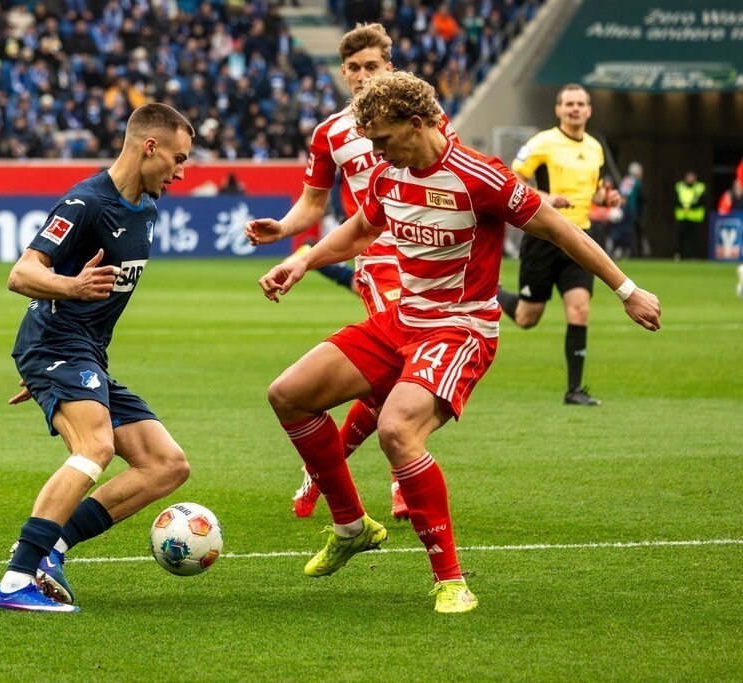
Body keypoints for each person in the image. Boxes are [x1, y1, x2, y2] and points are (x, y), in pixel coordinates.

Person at [257, 70, 661, 614]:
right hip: (401, 321)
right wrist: (302, 261)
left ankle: (451, 581)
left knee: (397, 429)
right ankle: (352, 526)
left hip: (461, 328)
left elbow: (559, 229)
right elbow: (362, 229)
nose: (375, 152)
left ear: (416, 124)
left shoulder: (480, 177)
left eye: (382, 139)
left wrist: (627, 290)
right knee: (288, 394)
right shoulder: (389, 172)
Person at [0, 103, 195, 613]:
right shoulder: (84, 203)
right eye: (178, 158)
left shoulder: (146, 210)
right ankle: (16, 581)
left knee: (166, 465)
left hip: (82, 355)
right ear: (150, 147)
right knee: (96, 445)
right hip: (55, 344)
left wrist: (63, 379)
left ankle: (51, 549)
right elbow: (21, 273)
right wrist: (71, 288)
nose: (181, 172)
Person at [247, 23, 457, 521]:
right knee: (401, 368)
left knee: (401, 371)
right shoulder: (330, 133)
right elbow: (312, 204)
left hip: (426, 253)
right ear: (343, 73)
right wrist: (284, 228)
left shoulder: (424, 116)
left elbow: (450, 174)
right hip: (378, 255)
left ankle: (323, 468)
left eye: (372, 66)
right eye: (354, 68)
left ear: (389, 67)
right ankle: (400, 480)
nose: (363, 75)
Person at [496, 84, 621, 407]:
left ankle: (574, 390)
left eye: (580, 104)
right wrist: (545, 197)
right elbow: (513, 178)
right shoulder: (542, 143)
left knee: (579, 309)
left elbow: (594, 192)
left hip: (581, 238)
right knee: (527, 317)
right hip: (544, 237)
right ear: (558, 109)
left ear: (589, 110)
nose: (575, 109)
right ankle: (492, 292)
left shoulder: (595, 148)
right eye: (569, 104)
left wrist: (605, 198)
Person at [673, 170, 706, 260]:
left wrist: (690, 206)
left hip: (695, 218)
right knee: (680, 238)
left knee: (694, 239)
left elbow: (702, 201)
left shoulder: (700, 187)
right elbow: (675, 199)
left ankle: (694, 256)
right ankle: (679, 255)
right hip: (682, 217)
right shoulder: (679, 186)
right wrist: (683, 206)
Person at [616, 161, 645, 258]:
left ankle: (627, 250)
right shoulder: (636, 182)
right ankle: (632, 251)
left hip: (625, 210)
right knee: (630, 231)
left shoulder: (626, 180)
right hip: (631, 210)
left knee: (626, 230)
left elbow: (622, 195)